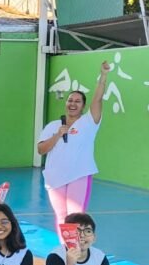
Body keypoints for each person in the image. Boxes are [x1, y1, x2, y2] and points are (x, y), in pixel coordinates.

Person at [37, 61, 111, 228]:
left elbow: (97, 99)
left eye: (77, 101)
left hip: (79, 174)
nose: (73, 104)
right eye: (70, 100)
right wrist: (57, 135)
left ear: (83, 106)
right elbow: (41, 150)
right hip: (55, 177)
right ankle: (65, 245)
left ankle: (77, 245)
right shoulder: (53, 126)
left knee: (76, 217)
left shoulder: (89, 122)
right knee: (61, 217)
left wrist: (104, 75)